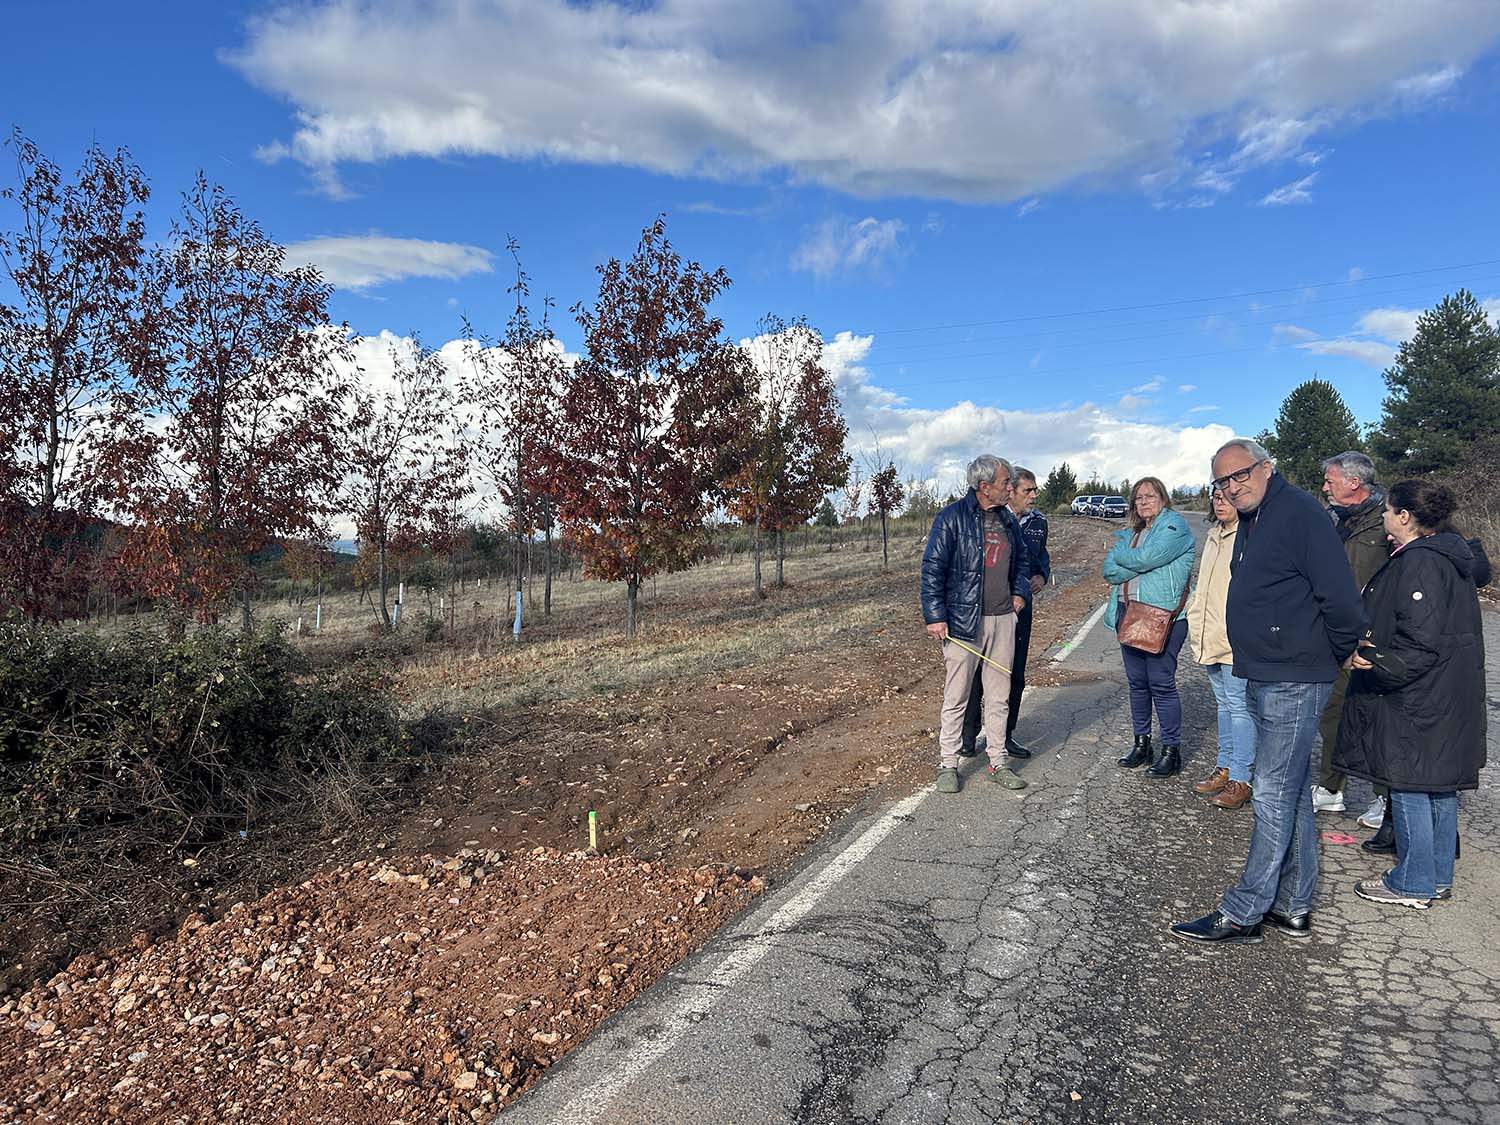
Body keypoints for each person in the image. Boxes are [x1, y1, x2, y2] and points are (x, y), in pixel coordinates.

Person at [1171, 439, 1365, 945]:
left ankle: (1244, 910)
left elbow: (1341, 600)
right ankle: (1293, 904)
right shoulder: (1254, 517)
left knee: (1272, 791)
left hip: (1294, 675)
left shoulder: (1299, 513)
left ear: (1266, 468)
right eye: (1223, 480)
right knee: (1291, 791)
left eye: (1241, 474)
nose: (1233, 486)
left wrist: (1328, 655)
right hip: (1263, 669)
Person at [1333, 480, 1488, 909]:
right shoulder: (1448, 554)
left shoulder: (1420, 561)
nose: (1383, 516)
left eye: (1387, 510)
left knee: (1410, 783)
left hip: (1418, 695)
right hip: (1445, 690)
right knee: (1438, 785)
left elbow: (1419, 641)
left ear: (1405, 516)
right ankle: (1436, 875)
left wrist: (1371, 659)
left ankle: (1413, 881)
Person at [921, 455, 1032, 794]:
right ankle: (948, 764)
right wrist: (935, 616)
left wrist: (1019, 595)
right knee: (957, 695)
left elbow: (1023, 562)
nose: (1010, 488)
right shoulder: (951, 518)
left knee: (999, 696)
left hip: (1003, 620)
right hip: (962, 623)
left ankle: (998, 761)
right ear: (985, 487)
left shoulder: (1008, 521)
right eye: (1005, 483)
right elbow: (933, 569)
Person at [1310, 452, 1391, 823]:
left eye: (1330, 481)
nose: (1325, 487)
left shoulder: (1389, 518)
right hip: (1339, 635)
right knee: (1333, 715)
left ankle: (1386, 799)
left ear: (1354, 483)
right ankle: (1331, 789)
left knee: (1378, 721)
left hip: (1377, 637)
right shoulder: (1333, 519)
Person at [1103, 476, 1196, 778]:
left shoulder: (1174, 527)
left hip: (1162, 616)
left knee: (1161, 683)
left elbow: (1146, 559)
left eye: (1150, 496)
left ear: (1163, 498)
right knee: (1137, 683)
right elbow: (1109, 571)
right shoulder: (1133, 532)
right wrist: (1132, 563)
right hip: (1128, 612)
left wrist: (1125, 558)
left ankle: (1171, 750)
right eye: (1139, 497)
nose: (1144, 502)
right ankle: (1142, 744)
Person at [958, 466, 1050, 760]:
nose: (1033, 496)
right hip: (987, 607)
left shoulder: (1039, 522)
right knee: (975, 672)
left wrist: (1043, 575)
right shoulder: (991, 518)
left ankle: (1005, 735)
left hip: (1020, 607)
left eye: (1035, 490)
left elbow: (1040, 556)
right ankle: (968, 736)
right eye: (1027, 490)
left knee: (1014, 672)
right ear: (1011, 491)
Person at [1186, 488, 1255, 809]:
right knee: (1224, 705)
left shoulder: (1250, 536)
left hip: (1235, 638)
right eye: (1215, 497)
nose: (1220, 502)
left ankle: (1242, 778)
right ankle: (1225, 767)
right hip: (1210, 633)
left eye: (1227, 497)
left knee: (1240, 708)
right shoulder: (1215, 534)